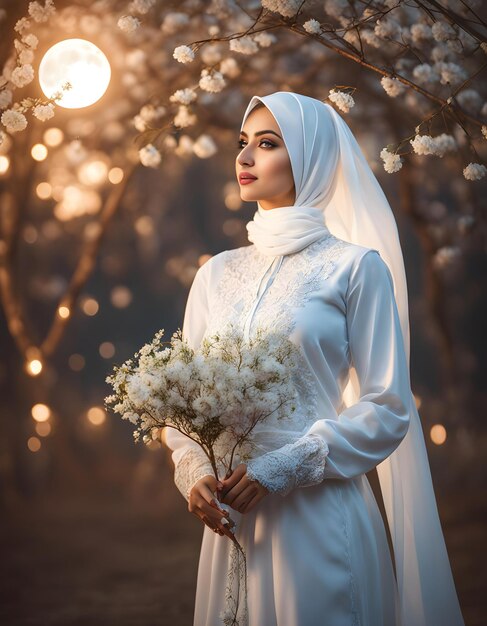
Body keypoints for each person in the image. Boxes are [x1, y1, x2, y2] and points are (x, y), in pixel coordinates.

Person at [162, 91, 465, 626]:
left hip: (317, 514)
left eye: (268, 143)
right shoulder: (216, 273)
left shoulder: (355, 268)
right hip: (231, 517)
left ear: (311, 157)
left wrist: (284, 466)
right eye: (242, 143)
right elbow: (185, 400)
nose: (245, 157)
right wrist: (190, 469)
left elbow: (388, 407)